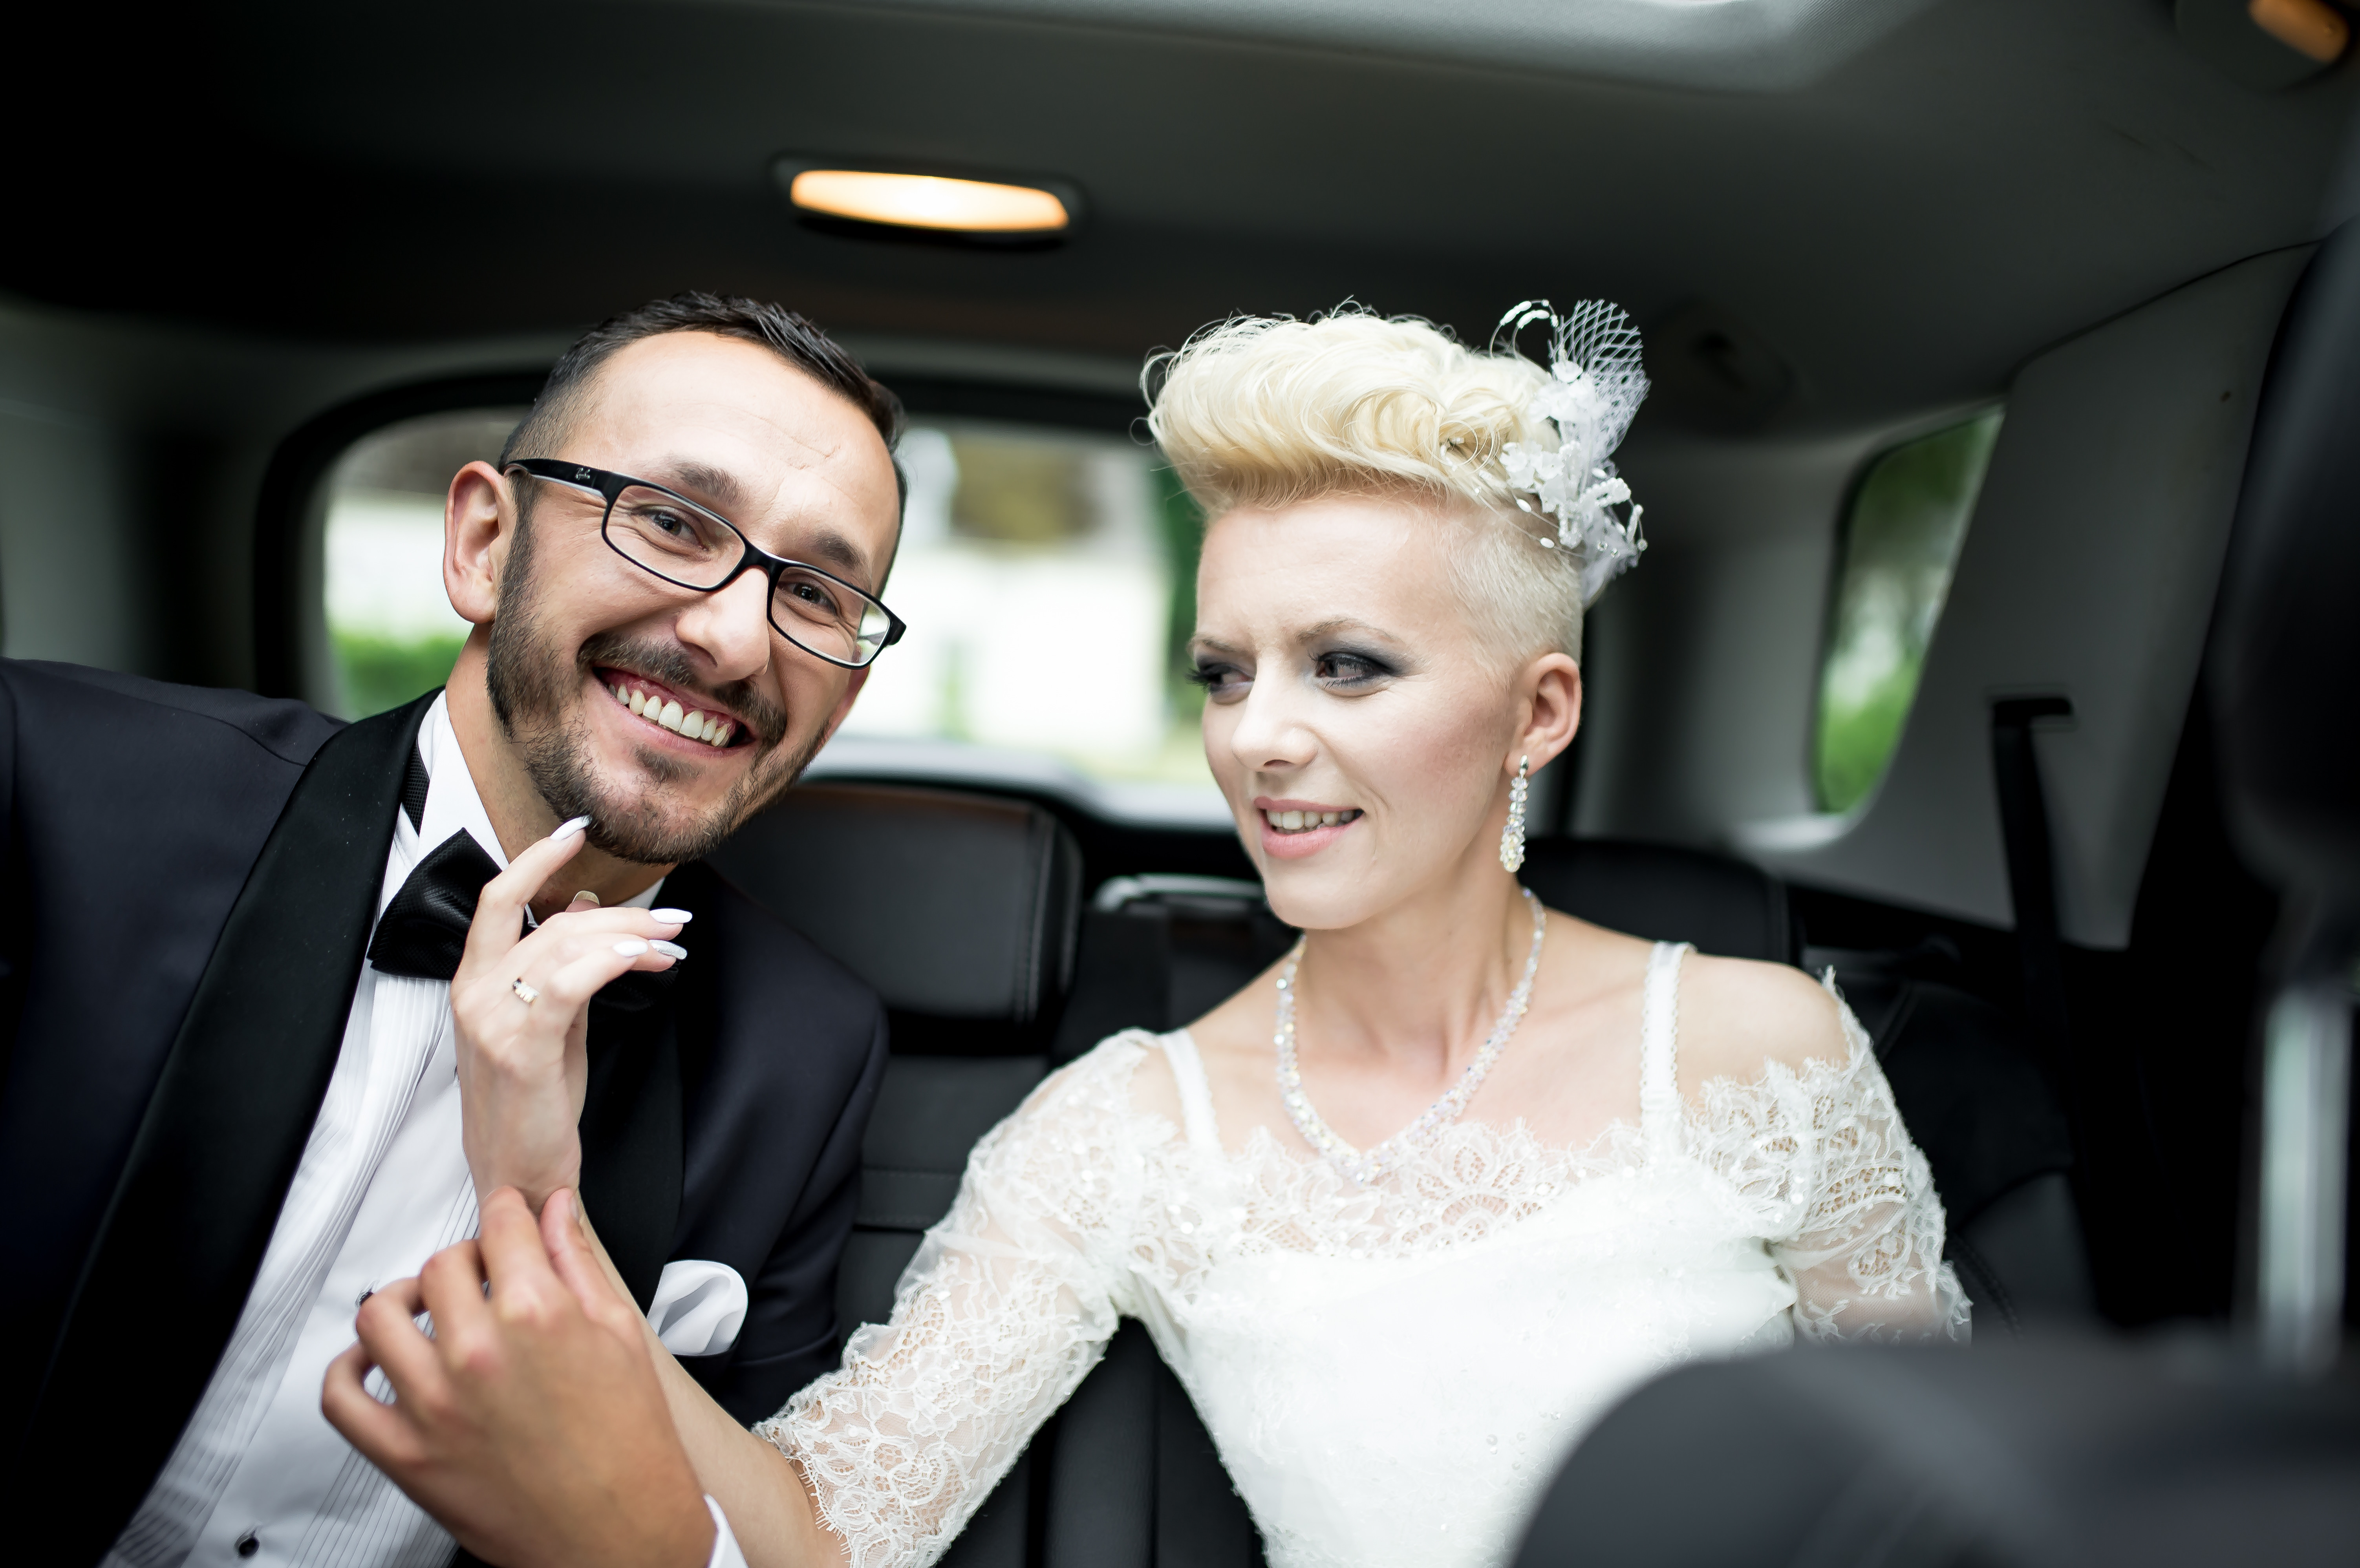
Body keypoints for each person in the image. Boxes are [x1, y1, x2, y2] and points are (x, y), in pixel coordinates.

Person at [326, 303, 1970, 1568]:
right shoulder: (1121, 1132)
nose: (1258, 739)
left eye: (1347, 667)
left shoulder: (1766, 1047)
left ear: (1540, 712)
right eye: (1224, 672)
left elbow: (1958, 1496)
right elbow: (824, 1537)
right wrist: (541, 1200)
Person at [0, 294, 909, 1568]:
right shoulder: (52, 783)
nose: (731, 637)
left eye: (813, 592)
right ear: (485, 543)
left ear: (844, 693)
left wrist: (543, 1208)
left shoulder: (806, 1049)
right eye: (669, 521)